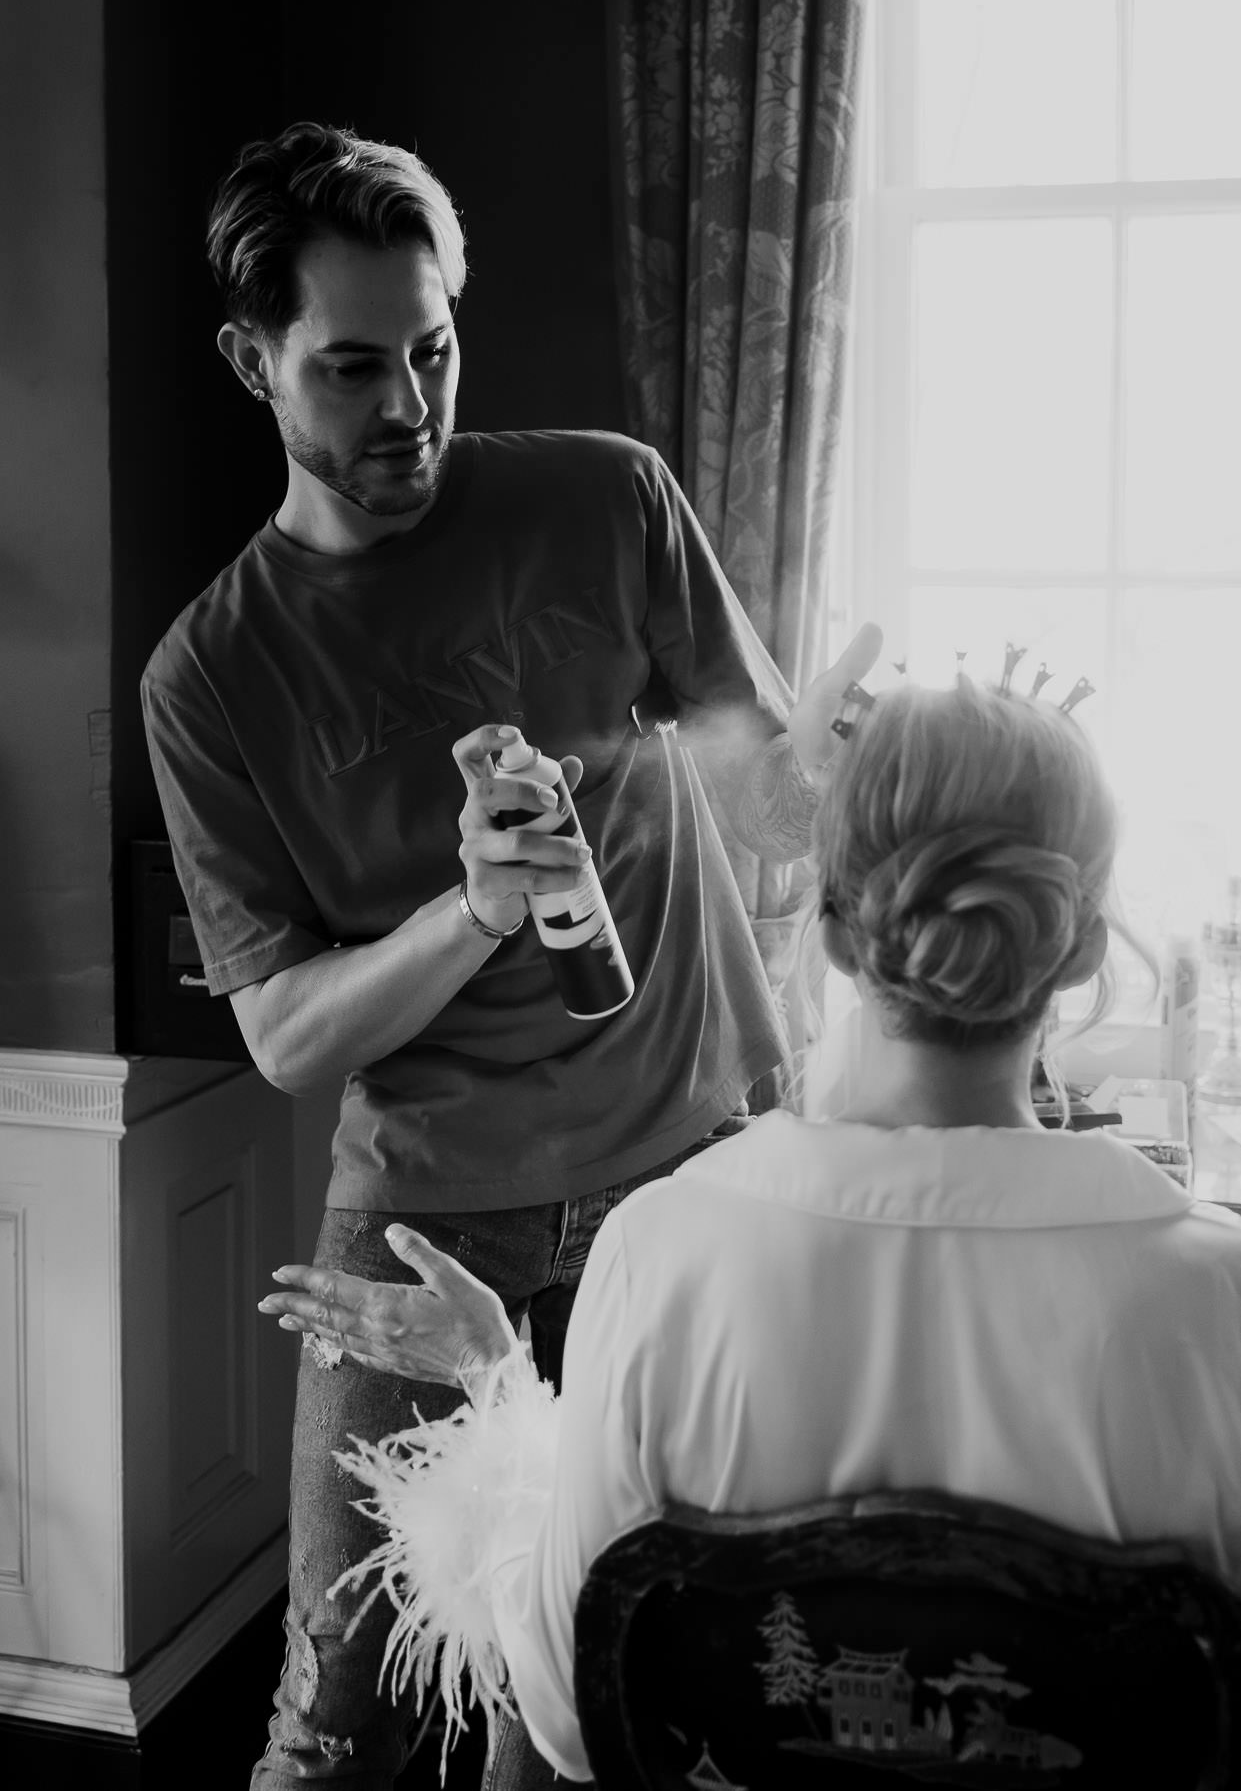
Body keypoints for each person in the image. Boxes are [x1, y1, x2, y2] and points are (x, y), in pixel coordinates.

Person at [140, 120, 878, 1789]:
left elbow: (771, 814)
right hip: (424, 1208)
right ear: (250, 360)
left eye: (434, 350)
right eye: (352, 366)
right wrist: (470, 910)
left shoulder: (606, 494)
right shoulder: (209, 676)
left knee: (628, 1693)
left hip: (692, 1173)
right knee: (342, 1712)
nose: (407, 404)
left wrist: (831, 767)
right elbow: (285, 1035)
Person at [260, 675, 1241, 1784]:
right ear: (1084, 946)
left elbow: (573, 1715)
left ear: (840, 938)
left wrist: (496, 1376)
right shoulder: (1219, 1286)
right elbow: (1235, 1706)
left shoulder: (665, 1248)